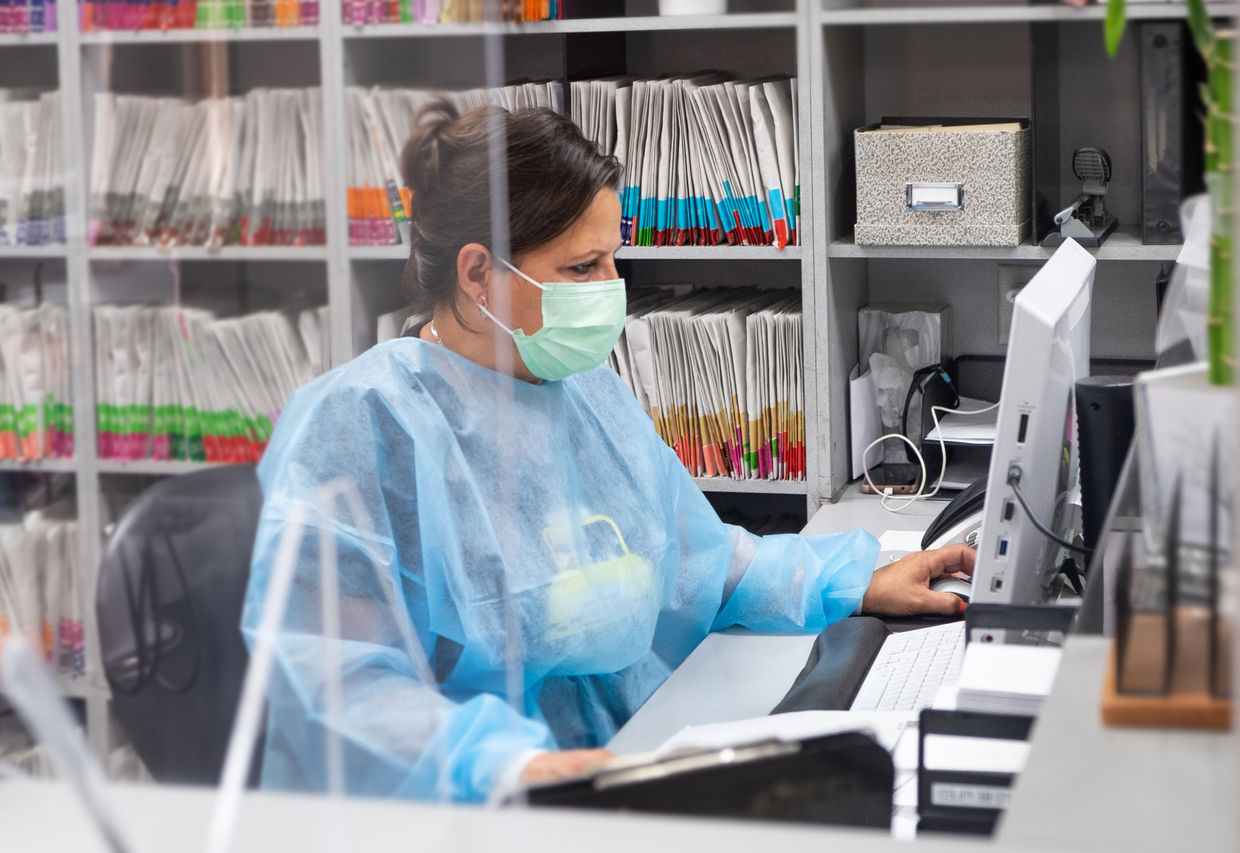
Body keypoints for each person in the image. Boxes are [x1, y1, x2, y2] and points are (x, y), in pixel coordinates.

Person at [243, 102, 974, 804]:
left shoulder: (583, 389)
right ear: (477, 274)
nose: (612, 291)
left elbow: (693, 559)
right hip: (458, 808)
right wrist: (502, 764)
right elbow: (334, 681)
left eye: (613, 260)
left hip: (618, 764)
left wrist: (851, 581)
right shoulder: (364, 424)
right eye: (582, 268)